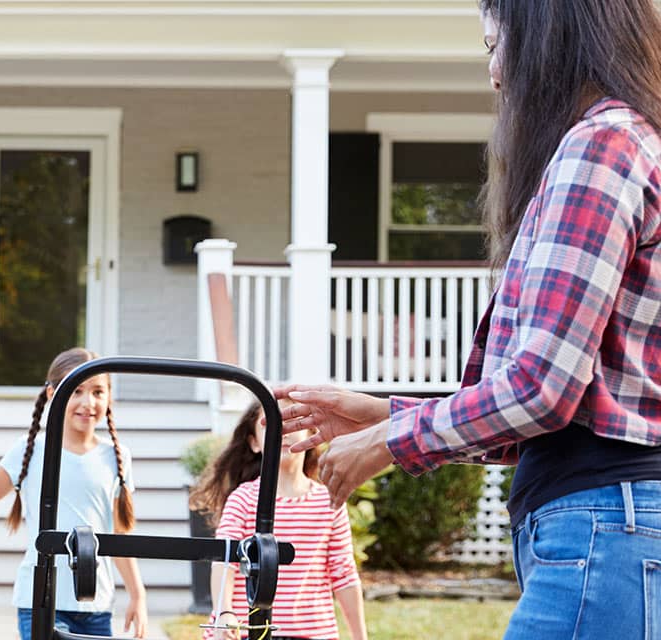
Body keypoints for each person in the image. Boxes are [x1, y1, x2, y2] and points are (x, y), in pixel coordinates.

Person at [272, 1, 661, 638]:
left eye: (492, 47)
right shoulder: (625, 141)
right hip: (609, 526)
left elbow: (541, 389)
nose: (495, 74)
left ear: (545, 41)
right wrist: (383, 412)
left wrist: (386, 444)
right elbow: (546, 415)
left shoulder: (602, 145)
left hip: (602, 528)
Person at [0, 348, 149, 639]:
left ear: (109, 398)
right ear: (53, 394)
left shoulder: (116, 456)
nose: (88, 402)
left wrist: (138, 595)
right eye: (76, 391)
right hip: (40, 600)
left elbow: (120, 533)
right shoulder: (31, 451)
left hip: (96, 604)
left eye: (98, 392)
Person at [189, 406, 365, 640]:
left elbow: (344, 572)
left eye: (292, 421)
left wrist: (359, 636)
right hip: (246, 631)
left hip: (311, 633)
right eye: (269, 425)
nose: (282, 431)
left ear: (311, 433)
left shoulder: (329, 502)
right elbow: (225, 561)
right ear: (254, 443)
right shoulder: (244, 498)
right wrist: (224, 612)